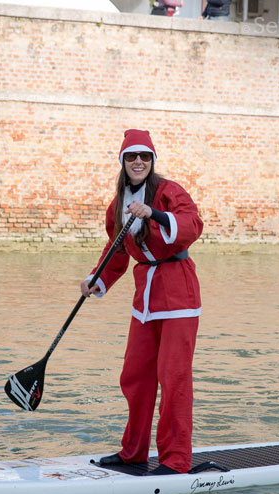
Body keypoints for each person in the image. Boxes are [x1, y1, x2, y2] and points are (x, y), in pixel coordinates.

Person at [81, 129, 203, 476]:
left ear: (152, 161)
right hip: (145, 299)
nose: (138, 162)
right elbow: (116, 251)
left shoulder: (169, 192)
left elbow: (192, 224)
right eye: (132, 157)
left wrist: (153, 214)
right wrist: (97, 279)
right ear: (123, 162)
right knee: (135, 376)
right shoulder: (117, 204)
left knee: (174, 378)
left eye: (145, 157)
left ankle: (175, 460)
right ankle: (134, 452)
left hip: (178, 294)